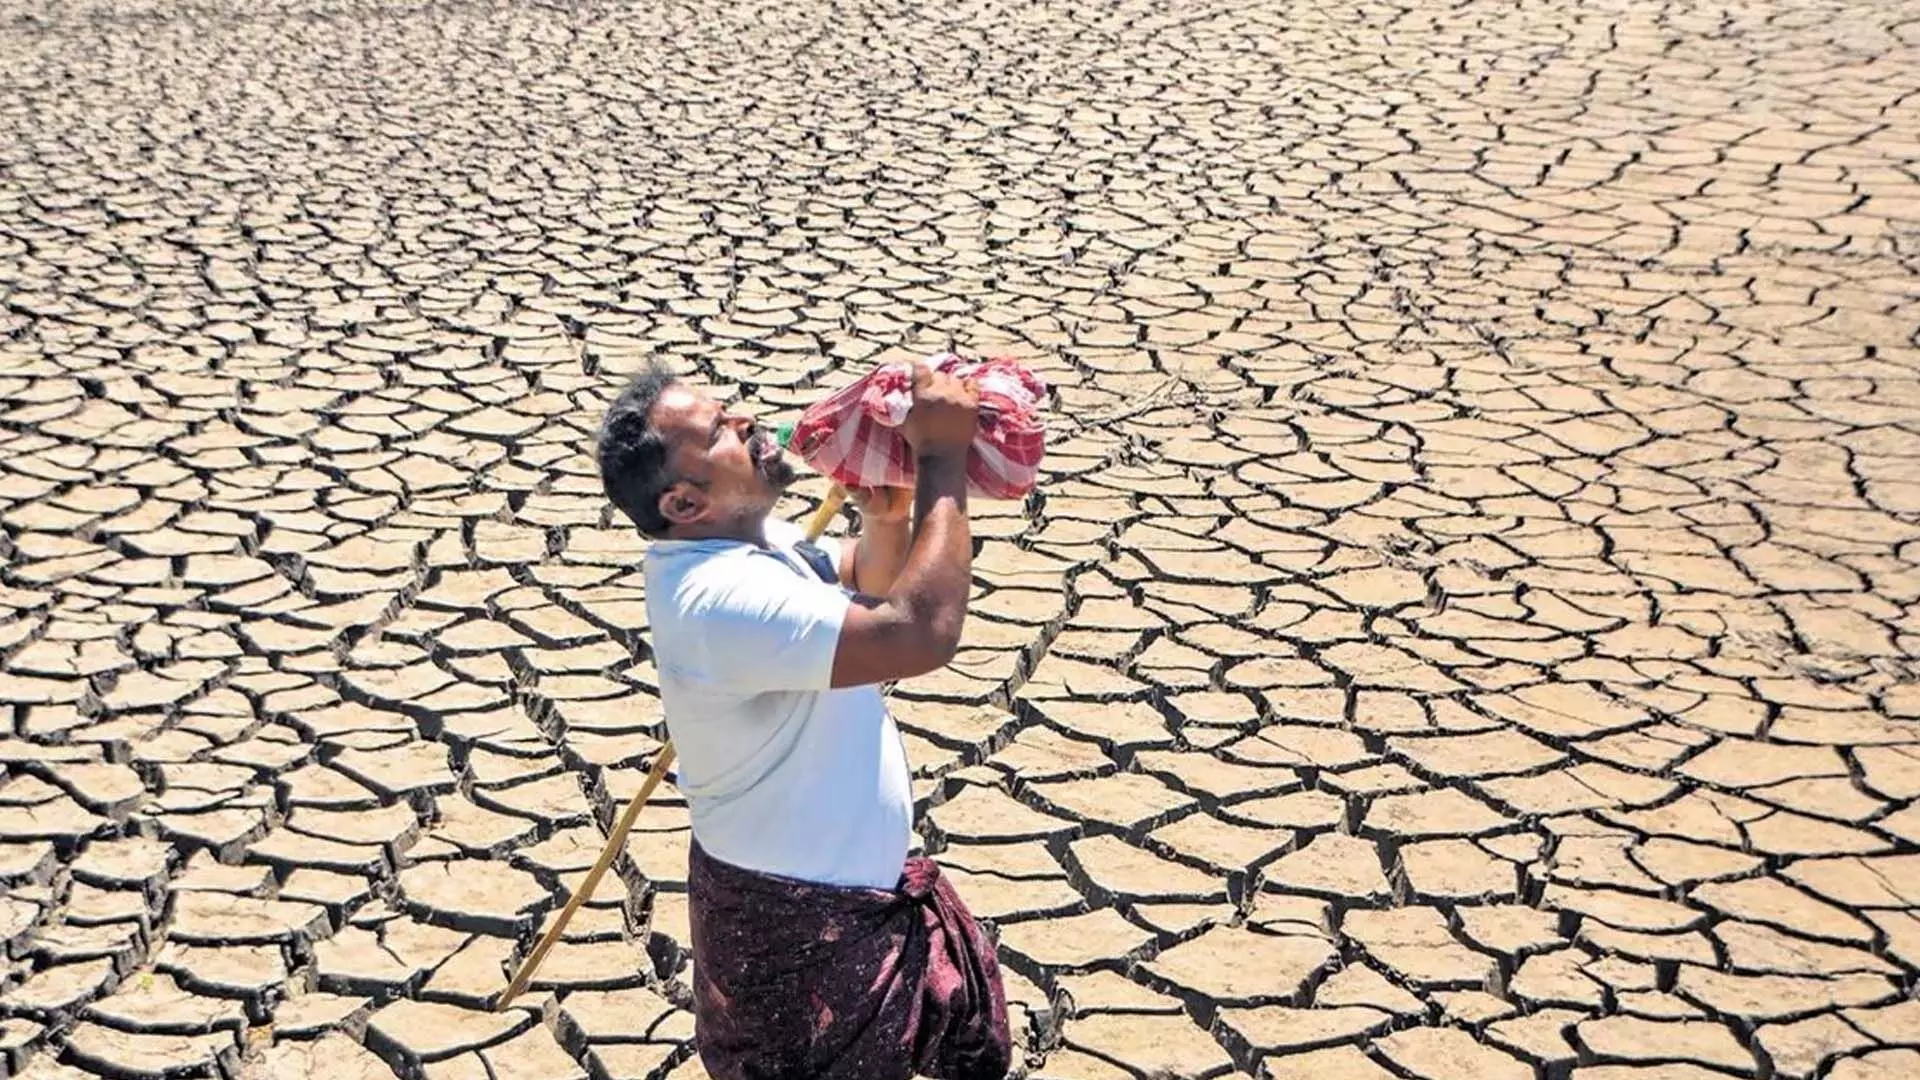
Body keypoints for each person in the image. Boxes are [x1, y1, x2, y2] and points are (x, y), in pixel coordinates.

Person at [595, 358, 1012, 1080]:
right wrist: (945, 460)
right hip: (800, 941)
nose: (746, 422)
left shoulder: (757, 543)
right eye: (721, 431)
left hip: (846, 909)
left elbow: (869, 581)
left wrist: (885, 514)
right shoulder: (718, 599)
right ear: (685, 504)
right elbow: (918, 632)